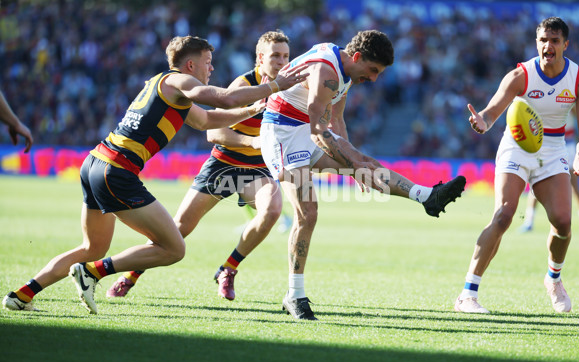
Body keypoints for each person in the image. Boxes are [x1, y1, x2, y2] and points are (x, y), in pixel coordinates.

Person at [2, 35, 308, 313]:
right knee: (174, 248)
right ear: (191, 64)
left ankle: (23, 294)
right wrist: (274, 86)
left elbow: (206, 120)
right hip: (117, 171)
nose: (211, 69)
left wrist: (252, 109)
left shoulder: (164, 86)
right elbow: (221, 98)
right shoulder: (179, 82)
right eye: (207, 63)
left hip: (95, 162)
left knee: (91, 247)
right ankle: (92, 272)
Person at [260, 30, 467, 320]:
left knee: (366, 162)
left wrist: (354, 162)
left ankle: (427, 196)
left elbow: (335, 121)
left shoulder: (345, 70)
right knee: (309, 212)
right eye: (372, 71)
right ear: (356, 57)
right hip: (282, 132)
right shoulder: (328, 71)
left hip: (305, 128)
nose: (373, 79)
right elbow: (318, 130)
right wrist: (350, 162)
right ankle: (294, 295)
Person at [105, 30, 293, 301]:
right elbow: (213, 133)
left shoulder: (290, 91)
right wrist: (252, 143)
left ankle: (228, 269)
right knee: (179, 227)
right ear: (260, 58)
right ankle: (130, 276)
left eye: (286, 56)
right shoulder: (243, 86)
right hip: (224, 164)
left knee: (273, 209)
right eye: (275, 56)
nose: (281, 62)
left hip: (257, 170)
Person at [454, 17, 579, 314]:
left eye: (555, 41)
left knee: (563, 223)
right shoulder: (520, 75)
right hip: (516, 148)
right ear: (537, 43)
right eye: (543, 40)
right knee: (504, 214)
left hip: (555, 149)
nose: (548, 46)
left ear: (565, 45)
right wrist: (482, 121)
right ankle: (467, 294)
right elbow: (492, 111)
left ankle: (553, 279)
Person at [520, 110, 579, 235]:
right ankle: (528, 221)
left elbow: (578, 114)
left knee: (574, 184)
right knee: (536, 182)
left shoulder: (568, 95)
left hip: (567, 143)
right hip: (545, 143)